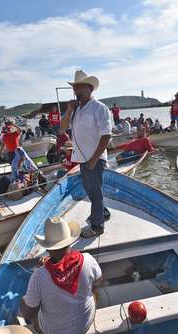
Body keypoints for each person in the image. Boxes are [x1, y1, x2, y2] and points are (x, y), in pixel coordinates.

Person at [21, 217, 103, 334]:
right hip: (84, 324)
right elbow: (99, 281)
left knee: (27, 304)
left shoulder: (39, 276)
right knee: (93, 293)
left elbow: (28, 314)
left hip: (54, 331)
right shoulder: (88, 260)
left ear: (48, 248)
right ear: (70, 242)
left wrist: (23, 301)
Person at [60, 70, 112, 238]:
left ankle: (97, 227)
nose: (75, 91)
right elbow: (62, 129)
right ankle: (102, 212)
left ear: (89, 88)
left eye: (78, 87)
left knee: (94, 192)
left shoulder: (99, 108)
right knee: (91, 190)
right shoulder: (76, 109)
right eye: (74, 88)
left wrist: (94, 158)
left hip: (95, 159)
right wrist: (68, 110)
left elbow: (106, 135)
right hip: (82, 158)